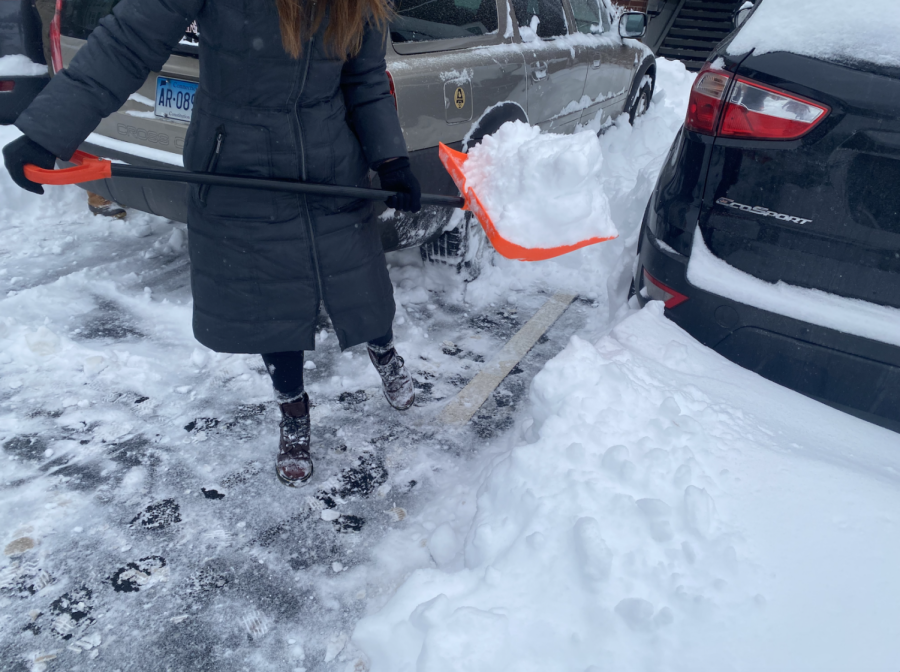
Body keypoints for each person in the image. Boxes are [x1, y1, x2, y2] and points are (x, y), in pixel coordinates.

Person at [3, 0, 422, 486]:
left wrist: (392, 159)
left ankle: (386, 354)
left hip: (329, 161)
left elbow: (365, 80)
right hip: (240, 163)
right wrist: (47, 130)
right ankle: (293, 410)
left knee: (360, 279)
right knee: (272, 302)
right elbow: (127, 43)